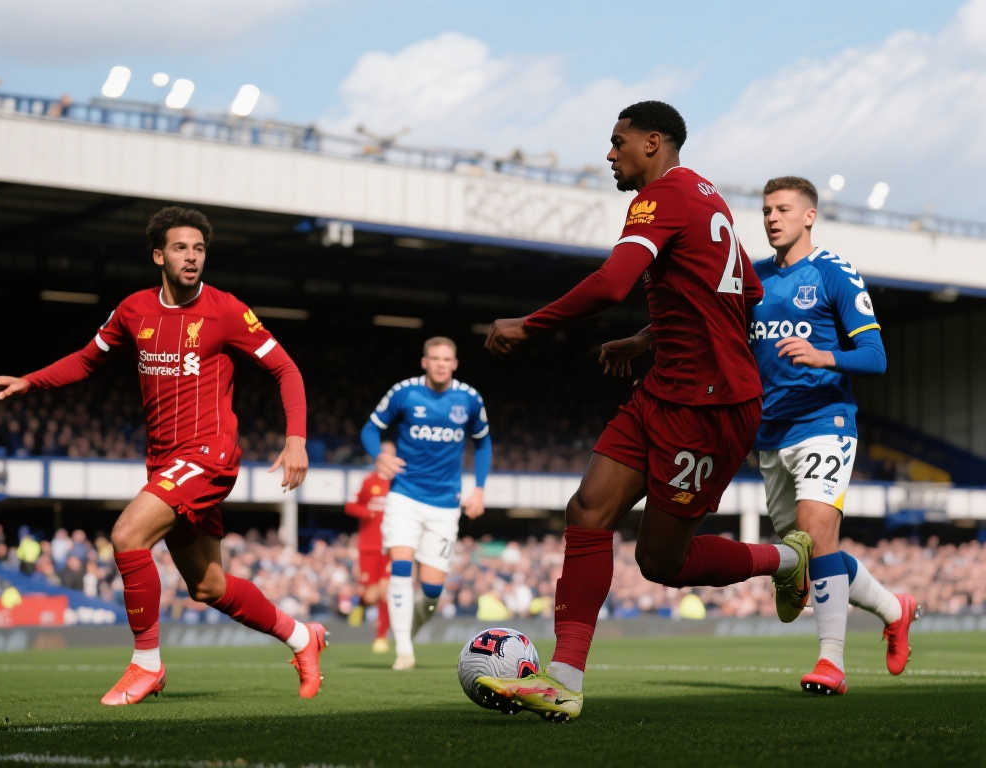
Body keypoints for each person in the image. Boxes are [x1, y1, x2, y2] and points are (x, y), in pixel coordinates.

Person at [478, 101, 812, 722]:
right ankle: (565, 680)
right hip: (664, 388)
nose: (610, 155)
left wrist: (530, 324)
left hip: (710, 407)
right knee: (587, 509)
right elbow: (734, 295)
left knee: (662, 562)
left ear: (652, 142)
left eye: (618, 142)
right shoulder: (708, 199)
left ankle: (787, 558)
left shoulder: (660, 199)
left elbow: (611, 283)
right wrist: (649, 339)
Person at [0, 206, 327, 706]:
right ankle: (303, 637)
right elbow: (87, 359)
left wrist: (295, 438)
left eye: (199, 249)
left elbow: (287, 369)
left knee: (126, 535)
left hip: (209, 454)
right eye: (180, 248)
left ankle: (147, 664)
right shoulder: (133, 310)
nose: (191, 257)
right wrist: (30, 380)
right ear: (158, 255)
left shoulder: (226, 309)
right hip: (165, 461)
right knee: (209, 587)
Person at [749, 176, 920, 694]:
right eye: (766, 210)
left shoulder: (835, 273)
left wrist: (824, 355)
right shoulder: (753, 280)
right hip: (770, 432)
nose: (772, 217)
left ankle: (832, 664)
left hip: (826, 422)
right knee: (807, 554)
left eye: (782, 208)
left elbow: (875, 356)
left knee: (817, 536)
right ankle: (895, 608)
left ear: (808, 216)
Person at [360, 337, 492, 670]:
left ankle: (407, 631)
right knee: (401, 565)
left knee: (432, 592)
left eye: (447, 359)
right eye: (434, 358)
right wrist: (379, 458)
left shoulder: (470, 399)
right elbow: (370, 430)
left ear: (455, 363)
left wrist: (478, 489)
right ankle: (404, 649)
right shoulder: (404, 392)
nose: (440, 364)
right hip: (404, 494)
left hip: (445, 503)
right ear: (424, 362)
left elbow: (484, 444)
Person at [344, 464, 392, 653]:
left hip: (389, 547)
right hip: (368, 547)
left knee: (385, 593)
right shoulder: (368, 481)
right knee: (372, 595)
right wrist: (367, 513)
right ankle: (362, 604)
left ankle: (381, 637)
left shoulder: (398, 483)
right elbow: (350, 506)